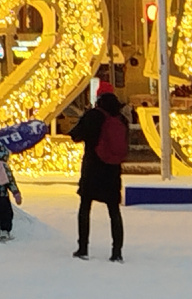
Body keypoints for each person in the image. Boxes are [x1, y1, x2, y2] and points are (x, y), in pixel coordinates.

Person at [69, 81, 127, 262]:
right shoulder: (121, 119)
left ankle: (83, 248)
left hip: (92, 169)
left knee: (85, 207)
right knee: (114, 211)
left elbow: (75, 135)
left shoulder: (93, 115)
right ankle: (116, 252)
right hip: (112, 171)